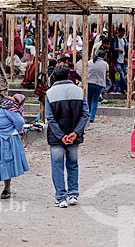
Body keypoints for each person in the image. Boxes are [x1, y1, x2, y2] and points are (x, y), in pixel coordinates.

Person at [45, 65, 89, 208]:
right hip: (74, 135)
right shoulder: (79, 91)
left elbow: (49, 118)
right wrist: (75, 133)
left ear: (54, 77)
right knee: (73, 164)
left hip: (56, 137)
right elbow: (85, 115)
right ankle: (73, 194)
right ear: (68, 76)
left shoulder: (50, 93)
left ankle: (60, 197)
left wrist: (60, 135)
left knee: (57, 166)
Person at [87, 50, 109, 123]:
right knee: (95, 101)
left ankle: (87, 114)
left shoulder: (89, 62)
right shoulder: (105, 64)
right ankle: (92, 117)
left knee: (88, 100)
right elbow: (107, 73)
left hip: (89, 82)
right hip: (98, 84)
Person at [110, 28, 128, 94]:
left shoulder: (125, 40)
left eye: (123, 33)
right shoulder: (114, 40)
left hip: (123, 60)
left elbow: (127, 49)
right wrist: (117, 49)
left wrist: (126, 57)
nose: (122, 34)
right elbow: (111, 48)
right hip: (116, 60)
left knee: (120, 76)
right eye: (121, 33)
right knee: (121, 75)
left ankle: (120, 89)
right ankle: (125, 87)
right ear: (118, 32)